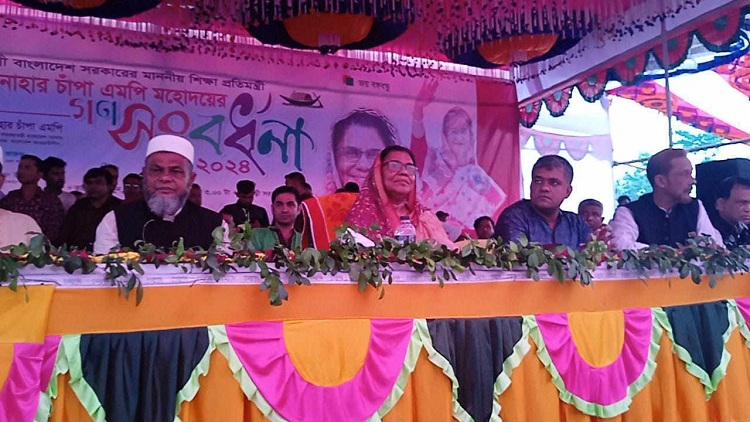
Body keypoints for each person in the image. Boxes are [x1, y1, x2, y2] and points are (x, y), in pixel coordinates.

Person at [94, 135, 223, 253]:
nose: (165, 178)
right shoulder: (115, 221)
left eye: (176, 171)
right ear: (145, 175)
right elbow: (104, 268)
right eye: (156, 170)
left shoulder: (216, 225)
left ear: (190, 180)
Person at [410, 79, 506, 230]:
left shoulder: (478, 176)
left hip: (467, 241)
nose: (459, 137)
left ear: (470, 135)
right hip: (428, 235)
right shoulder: (434, 161)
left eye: (463, 131)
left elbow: (493, 215)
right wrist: (418, 110)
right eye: (454, 132)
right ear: (445, 136)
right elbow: (418, 146)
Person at [610, 149, 723, 250]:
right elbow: (620, 245)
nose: (693, 181)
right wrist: (671, 253)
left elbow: (710, 244)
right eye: (685, 174)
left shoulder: (695, 206)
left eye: (690, 174)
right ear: (661, 181)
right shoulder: (629, 212)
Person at [345, 145, 454, 246]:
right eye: (394, 165)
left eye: (410, 168)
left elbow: (449, 254)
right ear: (378, 172)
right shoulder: (362, 216)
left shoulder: (425, 219)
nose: (404, 172)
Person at [494, 155, 590, 249]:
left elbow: (590, 254)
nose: (544, 188)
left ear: (568, 191)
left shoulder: (576, 223)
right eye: (538, 181)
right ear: (531, 185)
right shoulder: (514, 217)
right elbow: (516, 255)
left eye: (553, 183)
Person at [328, 108, 398, 192]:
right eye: (351, 153)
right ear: (334, 158)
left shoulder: (405, 200)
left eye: (373, 154)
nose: (363, 166)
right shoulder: (319, 200)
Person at [0, 154, 65, 243]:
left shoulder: (51, 201)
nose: (21, 171)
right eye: (20, 167)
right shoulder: (10, 198)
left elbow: (55, 232)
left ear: (39, 174)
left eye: (27, 168)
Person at [59, 168, 121, 251]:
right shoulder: (78, 207)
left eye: (98, 183)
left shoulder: (119, 208)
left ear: (109, 186)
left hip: (110, 255)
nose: (93, 186)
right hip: (77, 255)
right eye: (89, 183)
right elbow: (65, 235)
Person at [250, 186, 302, 250]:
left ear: (299, 209)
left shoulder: (304, 239)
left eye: (290, 205)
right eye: (279, 205)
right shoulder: (257, 235)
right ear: (273, 208)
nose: (284, 210)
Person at [709, 176, 750, 250]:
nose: (748, 209)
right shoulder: (707, 230)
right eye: (741, 203)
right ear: (721, 204)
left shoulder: (744, 228)